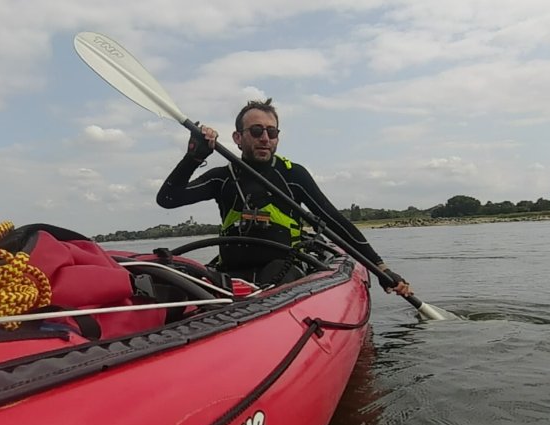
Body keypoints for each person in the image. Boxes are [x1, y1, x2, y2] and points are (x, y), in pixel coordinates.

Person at [155, 98, 412, 296]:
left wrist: (380, 268)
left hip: (284, 273)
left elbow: (334, 221)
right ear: (237, 138)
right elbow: (168, 198)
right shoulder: (221, 177)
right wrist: (194, 157)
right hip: (231, 273)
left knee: (274, 276)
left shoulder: (293, 175)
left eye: (272, 132)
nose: (265, 138)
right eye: (256, 131)